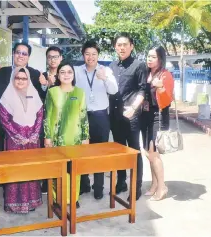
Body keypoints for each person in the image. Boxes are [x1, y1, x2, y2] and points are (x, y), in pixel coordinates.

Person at [74, 41, 118, 199]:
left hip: (100, 116)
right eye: (87, 54)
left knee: (100, 153)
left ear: (98, 55)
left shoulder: (105, 70)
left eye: (93, 54)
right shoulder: (77, 71)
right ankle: (83, 184)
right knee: (82, 151)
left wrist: (104, 78)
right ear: (83, 55)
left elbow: (113, 90)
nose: (90, 57)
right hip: (82, 115)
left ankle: (98, 187)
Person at [44, 62, 89, 207]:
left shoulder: (80, 93)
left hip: (75, 138)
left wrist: (85, 137)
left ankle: (73, 198)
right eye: (62, 72)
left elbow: (84, 116)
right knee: (58, 169)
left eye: (69, 72)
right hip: (57, 138)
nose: (66, 75)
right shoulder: (52, 92)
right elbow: (47, 116)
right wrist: (47, 137)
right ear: (58, 75)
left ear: (74, 75)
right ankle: (58, 199)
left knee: (75, 170)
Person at [0, 67, 43, 213]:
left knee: (31, 169)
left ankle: (31, 203)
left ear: (28, 80)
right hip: (15, 141)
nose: (20, 81)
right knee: (16, 170)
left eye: (24, 78)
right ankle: (14, 204)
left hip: (32, 141)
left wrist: (34, 133)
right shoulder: (7, 96)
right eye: (17, 78)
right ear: (13, 79)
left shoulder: (34, 94)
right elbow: (4, 119)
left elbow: (40, 115)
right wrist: (18, 136)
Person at [109, 32, 147, 201]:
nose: (122, 47)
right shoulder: (112, 66)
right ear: (115, 47)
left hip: (131, 115)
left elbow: (142, 89)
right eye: (119, 45)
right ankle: (122, 181)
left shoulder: (139, 65)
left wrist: (133, 107)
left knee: (134, 151)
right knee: (119, 151)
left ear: (131, 46)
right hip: (115, 116)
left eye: (125, 44)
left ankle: (136, 187)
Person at [0, 42, 46, 152]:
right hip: (7, 128)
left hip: (30, 132)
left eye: (24, 54)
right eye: (18, 52)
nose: (20, 56)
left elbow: (41, 99)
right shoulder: (2, 71)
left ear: (28, 57)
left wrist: (44, 85)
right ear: (13, 54)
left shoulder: (35, 74)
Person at [141, 46, 174, 201]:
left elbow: (167, 100)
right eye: (148, 56)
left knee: (154, 154)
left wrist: (160, 87)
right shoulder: (147, 73)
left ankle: (162, 187)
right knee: (149, 153)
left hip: (158, 116)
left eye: (153, 57)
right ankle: (154, 184)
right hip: (145, 116)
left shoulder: (165, 75)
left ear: (160, 59)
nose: (150, 59)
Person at [40, 46, 63, 194]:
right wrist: (47, 84)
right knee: (47, 152)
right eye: (50, 57)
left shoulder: (66, 74)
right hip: (45, 120)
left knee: (61, 153)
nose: (52, 59)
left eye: (55, 56)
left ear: (61, 58)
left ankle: (61, 184)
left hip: (62, 120)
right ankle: (46, 184)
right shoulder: (41, 76)